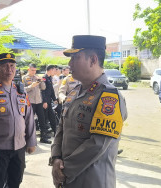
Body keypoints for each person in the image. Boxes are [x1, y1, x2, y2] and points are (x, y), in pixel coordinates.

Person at [51, 35, 128, 188]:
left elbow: (98, 144)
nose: (69, 63)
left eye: (75, 58)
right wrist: (55, 158)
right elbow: (61, 128)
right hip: (67, 179)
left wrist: (64, 170)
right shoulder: (74, 92)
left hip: (92, 180)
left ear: (93, 60)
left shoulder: (109, 97)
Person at [0, 53, 37, 188]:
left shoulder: (21, 91)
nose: (9, 69)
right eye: (4, 66)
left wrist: (31, 141)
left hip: (19, 148)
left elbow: (29, 118)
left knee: (15, 182)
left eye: (12, 66)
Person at [22, 64, 51, 144]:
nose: (34, 72)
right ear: (28, 69)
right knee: (30, 121)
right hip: (30, 102)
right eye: (32, 70)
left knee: (42, 120)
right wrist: (31, 86)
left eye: (35, 70)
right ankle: (29, 139)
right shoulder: (24, 78)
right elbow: (23, 90)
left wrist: (41, 81)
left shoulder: (37, 77)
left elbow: (43, 88)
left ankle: (43, 137)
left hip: (39, 101)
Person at [42, 65, 58, 135]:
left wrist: (54, 99)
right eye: (54, 70)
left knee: (52, 116)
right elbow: (42, 91)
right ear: (50, 70)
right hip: (45, 102)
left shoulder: (49, 78)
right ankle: (44, 133)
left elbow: (51, 90)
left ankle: (55, 132)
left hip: (49, 101)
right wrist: (44, 101)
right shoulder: (44, 78)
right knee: (44, 118)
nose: (55, 72)